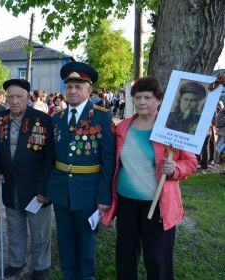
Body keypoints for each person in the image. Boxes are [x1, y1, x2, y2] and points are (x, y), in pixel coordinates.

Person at [102, 76, 198, 280]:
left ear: (160, 100)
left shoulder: (171, 130)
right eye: (137, 97)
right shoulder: (122, 127)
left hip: (157, 205)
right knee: (126, 255)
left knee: (157, 258)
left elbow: (191, 163)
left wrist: (175, 169)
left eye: (147, 97)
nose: (141, 102)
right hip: (126, 202)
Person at [47, 61, 115, 279]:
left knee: (86, 240)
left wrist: (104, 195)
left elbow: (108, 159)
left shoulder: (102, 116)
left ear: (89, 90)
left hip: (88, 191)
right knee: (65, 239)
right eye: (69, 87)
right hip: (61, 191)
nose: (73, 91)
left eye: (78, 86)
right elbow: (50, 157)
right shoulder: (56, 119)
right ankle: (69, 275)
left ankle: (87, 276)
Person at [0, 79, 54, 280]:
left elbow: (50, 158)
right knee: (14, 229)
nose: (14, 101)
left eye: (19, 96)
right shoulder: (0, 118)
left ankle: (41, 266)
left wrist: (44, 189)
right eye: (10, 96)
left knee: (39, 233)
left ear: (28, 97)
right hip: (11, 186)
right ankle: (16, 262)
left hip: (36, 189)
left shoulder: (42, 120)